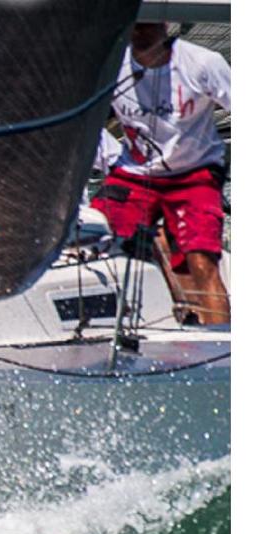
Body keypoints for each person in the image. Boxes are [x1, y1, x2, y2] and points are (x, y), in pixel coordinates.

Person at [90, 21, 231, 324]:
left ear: (165, 23)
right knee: (91, 233)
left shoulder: (202, 63)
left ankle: (220, 348)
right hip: (135, 174)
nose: (139, 31)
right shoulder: (112, 66)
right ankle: (179, 310)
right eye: (134, 23)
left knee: (201, 260)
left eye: (148, 24)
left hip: (194, 173)